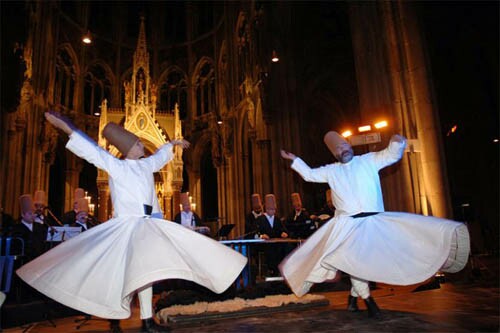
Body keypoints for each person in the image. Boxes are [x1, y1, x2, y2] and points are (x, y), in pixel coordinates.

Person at [17, 111, 247, 333]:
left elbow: (159, 158)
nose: (141, 146)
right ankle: (115, 314)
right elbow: (90, 151)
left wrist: (173, 143)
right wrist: (65, 127)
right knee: (121, 274)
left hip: (147, 226)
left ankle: (147, 320)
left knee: (147, 274)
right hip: (126, 227)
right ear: (129, 149)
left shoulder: (146, 165)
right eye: (138, 144)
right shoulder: (116, 165)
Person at [279, 131, 470, 318]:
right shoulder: (332, 171)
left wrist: (396, 142)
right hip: (348, 226)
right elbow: (310, 175)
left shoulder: (368, 160)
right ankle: (369, 301)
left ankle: (353, 298)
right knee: (356, 260)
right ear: (335, 154)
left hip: (374, 223)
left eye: (345, 145)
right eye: (339, 148)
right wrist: (295, 160)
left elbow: (390, 155)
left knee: (365, 262)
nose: (343, 149)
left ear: (349, 146)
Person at [255, 194, 289, 276]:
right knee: (271, 250)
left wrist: (283, 233)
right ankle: (272, 270)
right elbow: (256, 232)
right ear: (266, 209)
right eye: (271, 209)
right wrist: (261, 236)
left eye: (274, 210)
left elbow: (282, 229)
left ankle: (284, 268)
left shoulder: (277, 219)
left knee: (286, 247)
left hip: (277, 243)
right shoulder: (260, 219)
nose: (273, 211)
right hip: (265, 244)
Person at [11, 195, 47, 262]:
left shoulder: (39, 227)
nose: (33, 216)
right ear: (22, 214)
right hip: (22, 262)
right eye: (30, 214)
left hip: (39, 262)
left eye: (33, 213)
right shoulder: (16, 229)